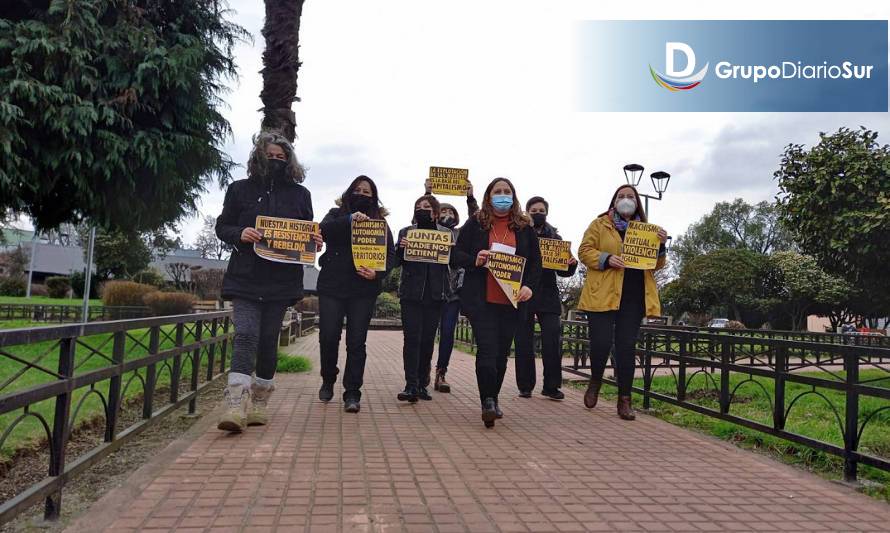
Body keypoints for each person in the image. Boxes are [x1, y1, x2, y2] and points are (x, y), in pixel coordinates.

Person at [214, 132, 320, 432]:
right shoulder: (238, 190)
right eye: (270, 156)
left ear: (289, 161)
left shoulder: (301, 195)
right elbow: (222, 226)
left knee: (268, 342)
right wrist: (239, 233)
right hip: (246, 276)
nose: (275, 161)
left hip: (282, 281)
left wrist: (314, 241)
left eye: (280, 157)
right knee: (246, 335)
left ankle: (260, 401)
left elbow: (306, 233)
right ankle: (236, 403)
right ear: (258, 157)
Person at [451, 177, 542, 428]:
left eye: (507, 191)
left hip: (512, 302)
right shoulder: (476, 223)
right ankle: (487, 401)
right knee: (487, 350)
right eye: (497, 191)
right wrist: (475, 259)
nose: (502, 195)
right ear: (489, 196)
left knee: (502, 354)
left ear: (514, 196)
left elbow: (535, 263)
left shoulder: (524, 227)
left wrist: (528, 287)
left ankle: (495, 396)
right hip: (482, 300)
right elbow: (456, 256)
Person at [577, 184, 667, 420]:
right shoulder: (599, 224)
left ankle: (624, 400)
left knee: (626, 349)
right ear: (614, 201)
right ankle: (595, 380)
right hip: (603, 295)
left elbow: (657, 266)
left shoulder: (648, 231)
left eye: (630, 197)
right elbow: (584, 251)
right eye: (621, 196)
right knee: (601, 343)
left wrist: (661, 246)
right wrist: (606, 259)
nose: (626, 199)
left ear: (636, 202)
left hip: (634, 297)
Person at [317, 176, 395, 413]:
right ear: (350, 192)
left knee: (356, 342)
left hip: (363, 288)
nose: (362, 194)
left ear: (374, 196)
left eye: (367, 191)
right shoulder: (335, 213)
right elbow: (323, 231)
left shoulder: (380, 222)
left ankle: (352, 391)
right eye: (358, 190)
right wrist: (349, 220)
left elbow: (391, 255)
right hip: (332, 284)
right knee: (329, 336)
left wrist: (378, 273)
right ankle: (328, 377)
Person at [514, 196, 577, 400]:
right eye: (534, 210)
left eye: (541, 210)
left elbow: (564, 273)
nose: (537, 213)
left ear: (546, 213)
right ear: (526, 211)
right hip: (524, 293)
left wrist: (571, 264)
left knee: (552, 341)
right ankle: (525, 385)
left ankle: (551, 386)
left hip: (548, 296)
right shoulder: (519, 234)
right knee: (523, 342)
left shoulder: (556, 238)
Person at [423, 179, 479, 393]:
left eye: (451, 212)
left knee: (447, 333)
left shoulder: (462, 235)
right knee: (427, 333)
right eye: (442, 211)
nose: (447, 215)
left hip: (453, 292)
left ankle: (441, 372)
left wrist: (470, 197)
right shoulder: (429, 231)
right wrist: (427, 193)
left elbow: (476, 219)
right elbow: (424, 210)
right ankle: (423, 369)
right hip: (431, 290)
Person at [394, 195, 451, 402]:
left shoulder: (447, 235)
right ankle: (410, 385)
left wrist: (450, 250)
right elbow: (395, 261)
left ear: (436, 212)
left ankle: (422, 383)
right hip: (411, 294)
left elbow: (453, 262)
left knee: (427, 340)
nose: (422, 209)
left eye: (427, 207)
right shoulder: (406, 232)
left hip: (436, 294)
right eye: (418, 206)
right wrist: (401, 247)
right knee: (411, 339)